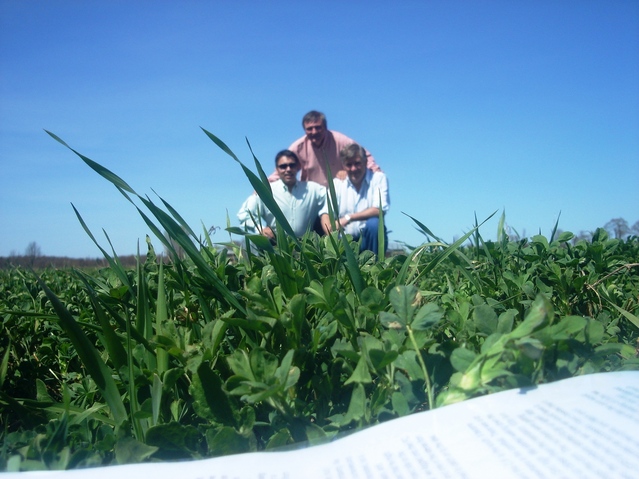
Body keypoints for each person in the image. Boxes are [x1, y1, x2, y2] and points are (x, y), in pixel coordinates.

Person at [268, 111, 381, 187]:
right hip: (313, 196)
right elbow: (281, 169)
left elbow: (362, 154)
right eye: (309, 129)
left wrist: (376, 171)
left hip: (341, 192)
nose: (314, 132)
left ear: (325, 127)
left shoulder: (340, 140)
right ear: (304, 130)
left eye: (318, 128)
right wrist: (263, 186)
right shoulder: (297, 148)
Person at [238, 150, 330, 241]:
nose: (288, 169)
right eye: (283, 166)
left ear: (298, 167)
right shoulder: (267, 191)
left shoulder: (313, 189)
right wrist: (260, 228)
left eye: (292, 165)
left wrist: (325, 214)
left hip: (306, 246)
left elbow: (330, 198)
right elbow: (244, 214)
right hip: (278, 246)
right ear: (276, 169)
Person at [329, 143, 390, 254]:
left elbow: (379, 209)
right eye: (349, 164)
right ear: (343, 165)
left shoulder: (378, 178)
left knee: (374, 224)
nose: (353, 168)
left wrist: (349, 217)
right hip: (344, 239)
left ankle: (376, 267)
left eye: (357, 163)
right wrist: (331, 228)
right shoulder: (336, 184)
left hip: (368, 240)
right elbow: (328, 213)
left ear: (366, 162)